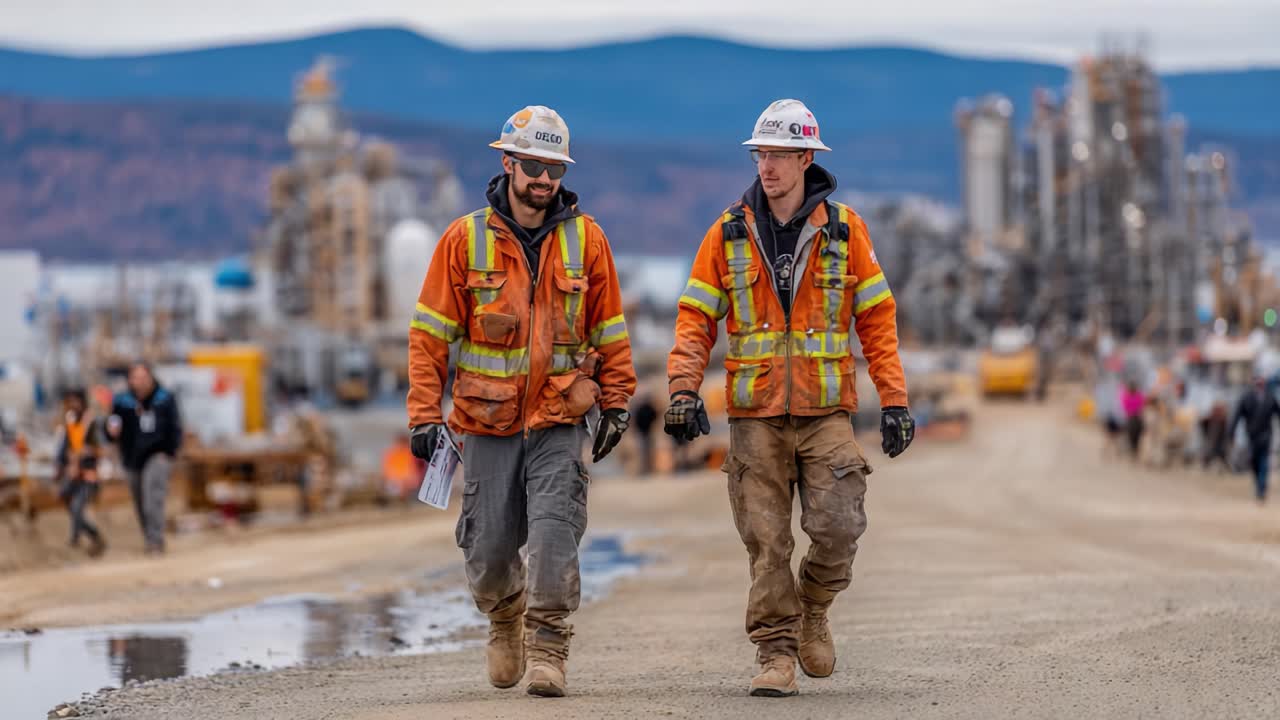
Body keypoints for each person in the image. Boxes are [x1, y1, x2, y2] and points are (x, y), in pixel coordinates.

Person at [665, 99, 912, 697]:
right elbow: (696, 317)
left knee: (839, 525)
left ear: (806, 158)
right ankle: (775, 654)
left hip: (826, 411)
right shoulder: (727, 233)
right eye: (761, 154)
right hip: (755, 415)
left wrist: (896, 399)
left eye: (778, 155)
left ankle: (815, 607)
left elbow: (876, 319)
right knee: (766, 541)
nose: (767, 166)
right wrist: (681, 388)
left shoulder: (845, 231)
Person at [406, 105, 637, 698]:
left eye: (553, 169)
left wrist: (616, 403)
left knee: (557, 536)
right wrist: (424, 416)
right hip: (486, 422)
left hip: (561, 417)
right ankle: (504, 615)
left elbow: (609, 329)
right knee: (486, 552)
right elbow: (431, 336)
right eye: (533, 166)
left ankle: (549, 648)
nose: (543, 180)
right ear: (508, 163)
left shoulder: (588, 241)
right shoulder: (465, 240)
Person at [108, 362, 182, 554]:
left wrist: (170, 451)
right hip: (132, 457)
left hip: (157, 455)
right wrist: (111, 432)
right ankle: (149, 537)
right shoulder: (122, 402)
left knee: (152, 497)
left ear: (150, 378)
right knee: (140, 501)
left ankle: (156, 540)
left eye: (142, 377)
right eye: (135, 378)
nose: (139, 382)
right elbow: (112, 427)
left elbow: (175, 427)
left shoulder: (164, 399)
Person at [55, 388, 107, 557]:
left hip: (88, 474)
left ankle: (80, 537)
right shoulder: (70, 424)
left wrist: (87, 452)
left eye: (75, 401)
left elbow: (101, 449)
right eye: (69, 402)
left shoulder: (91, 424)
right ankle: (85, 533)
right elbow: (64, 449)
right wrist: (62, 463)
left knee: (77, 507)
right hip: (72, 474)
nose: (72, 405)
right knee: (65, 497)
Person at [1230, 376, 1280, 503]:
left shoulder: (1270, 397)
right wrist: (1231, 432)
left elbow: (1278, 414)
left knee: (1264, 461)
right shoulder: (1246, 398)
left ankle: (1261, 489)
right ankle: (1259, 484)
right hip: (1251, 435)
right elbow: (1237, 415)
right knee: (1254, 462)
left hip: (1266, 435)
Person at [630, 390, 659, 475]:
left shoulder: (647, 408)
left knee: (646, 451)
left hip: (647, 432)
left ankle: (648, 468)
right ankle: (644, 468)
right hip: (642, 433)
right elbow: (635, 420)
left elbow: (655, 416)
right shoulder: (641, 408)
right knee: (643, 452)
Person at [1121, 381, 1145, 460]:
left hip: (1135, 417)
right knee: (1133, 437)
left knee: (1135, 437)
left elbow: (1141, 406)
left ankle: (1134, 451)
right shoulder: (1129, 396)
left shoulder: (1137, 396)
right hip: (1132, 418)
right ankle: (1134, 451)